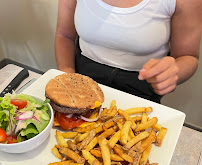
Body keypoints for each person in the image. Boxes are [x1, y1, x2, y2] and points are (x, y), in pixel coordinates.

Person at [55, 0, 202, 103]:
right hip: (82, 76)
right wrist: (66, 75)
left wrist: (174, 71)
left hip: (140, 87)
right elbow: (64, 35)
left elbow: (188, 56)